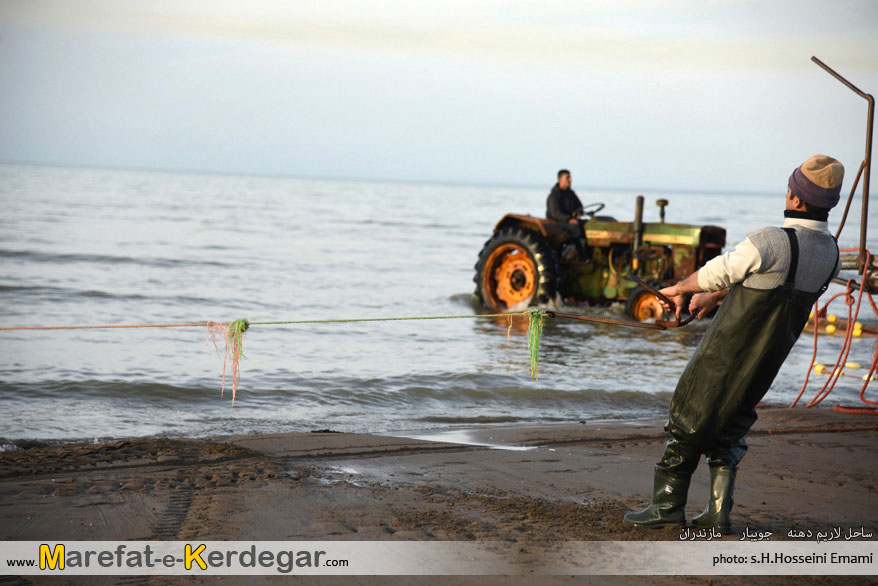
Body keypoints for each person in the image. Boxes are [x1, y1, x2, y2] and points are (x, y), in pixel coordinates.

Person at [622, 154, 844, 533]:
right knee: (732, 425)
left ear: (796, 198)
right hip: (766, 362)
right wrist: (714, 297)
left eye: (791, 186)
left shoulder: (770, 240)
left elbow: (717, 271)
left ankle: (666, 507)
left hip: (725, 352)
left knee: (687, 418)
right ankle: (717, 514)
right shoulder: (833, 256)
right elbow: (769, 282)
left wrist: (678, 288)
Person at [546, 169, 588, 259]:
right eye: (567, 178)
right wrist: (569, 219)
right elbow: (555, 213)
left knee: (588, 225)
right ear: (560, 179)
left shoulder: (571, 193)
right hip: (558, 223)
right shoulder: (554, 195)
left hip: (571, 221)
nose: (570, 180)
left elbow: (579, 206)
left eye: (570, 177)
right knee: (575, 230)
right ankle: (582, 256)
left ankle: (590, 254)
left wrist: (578, 212)